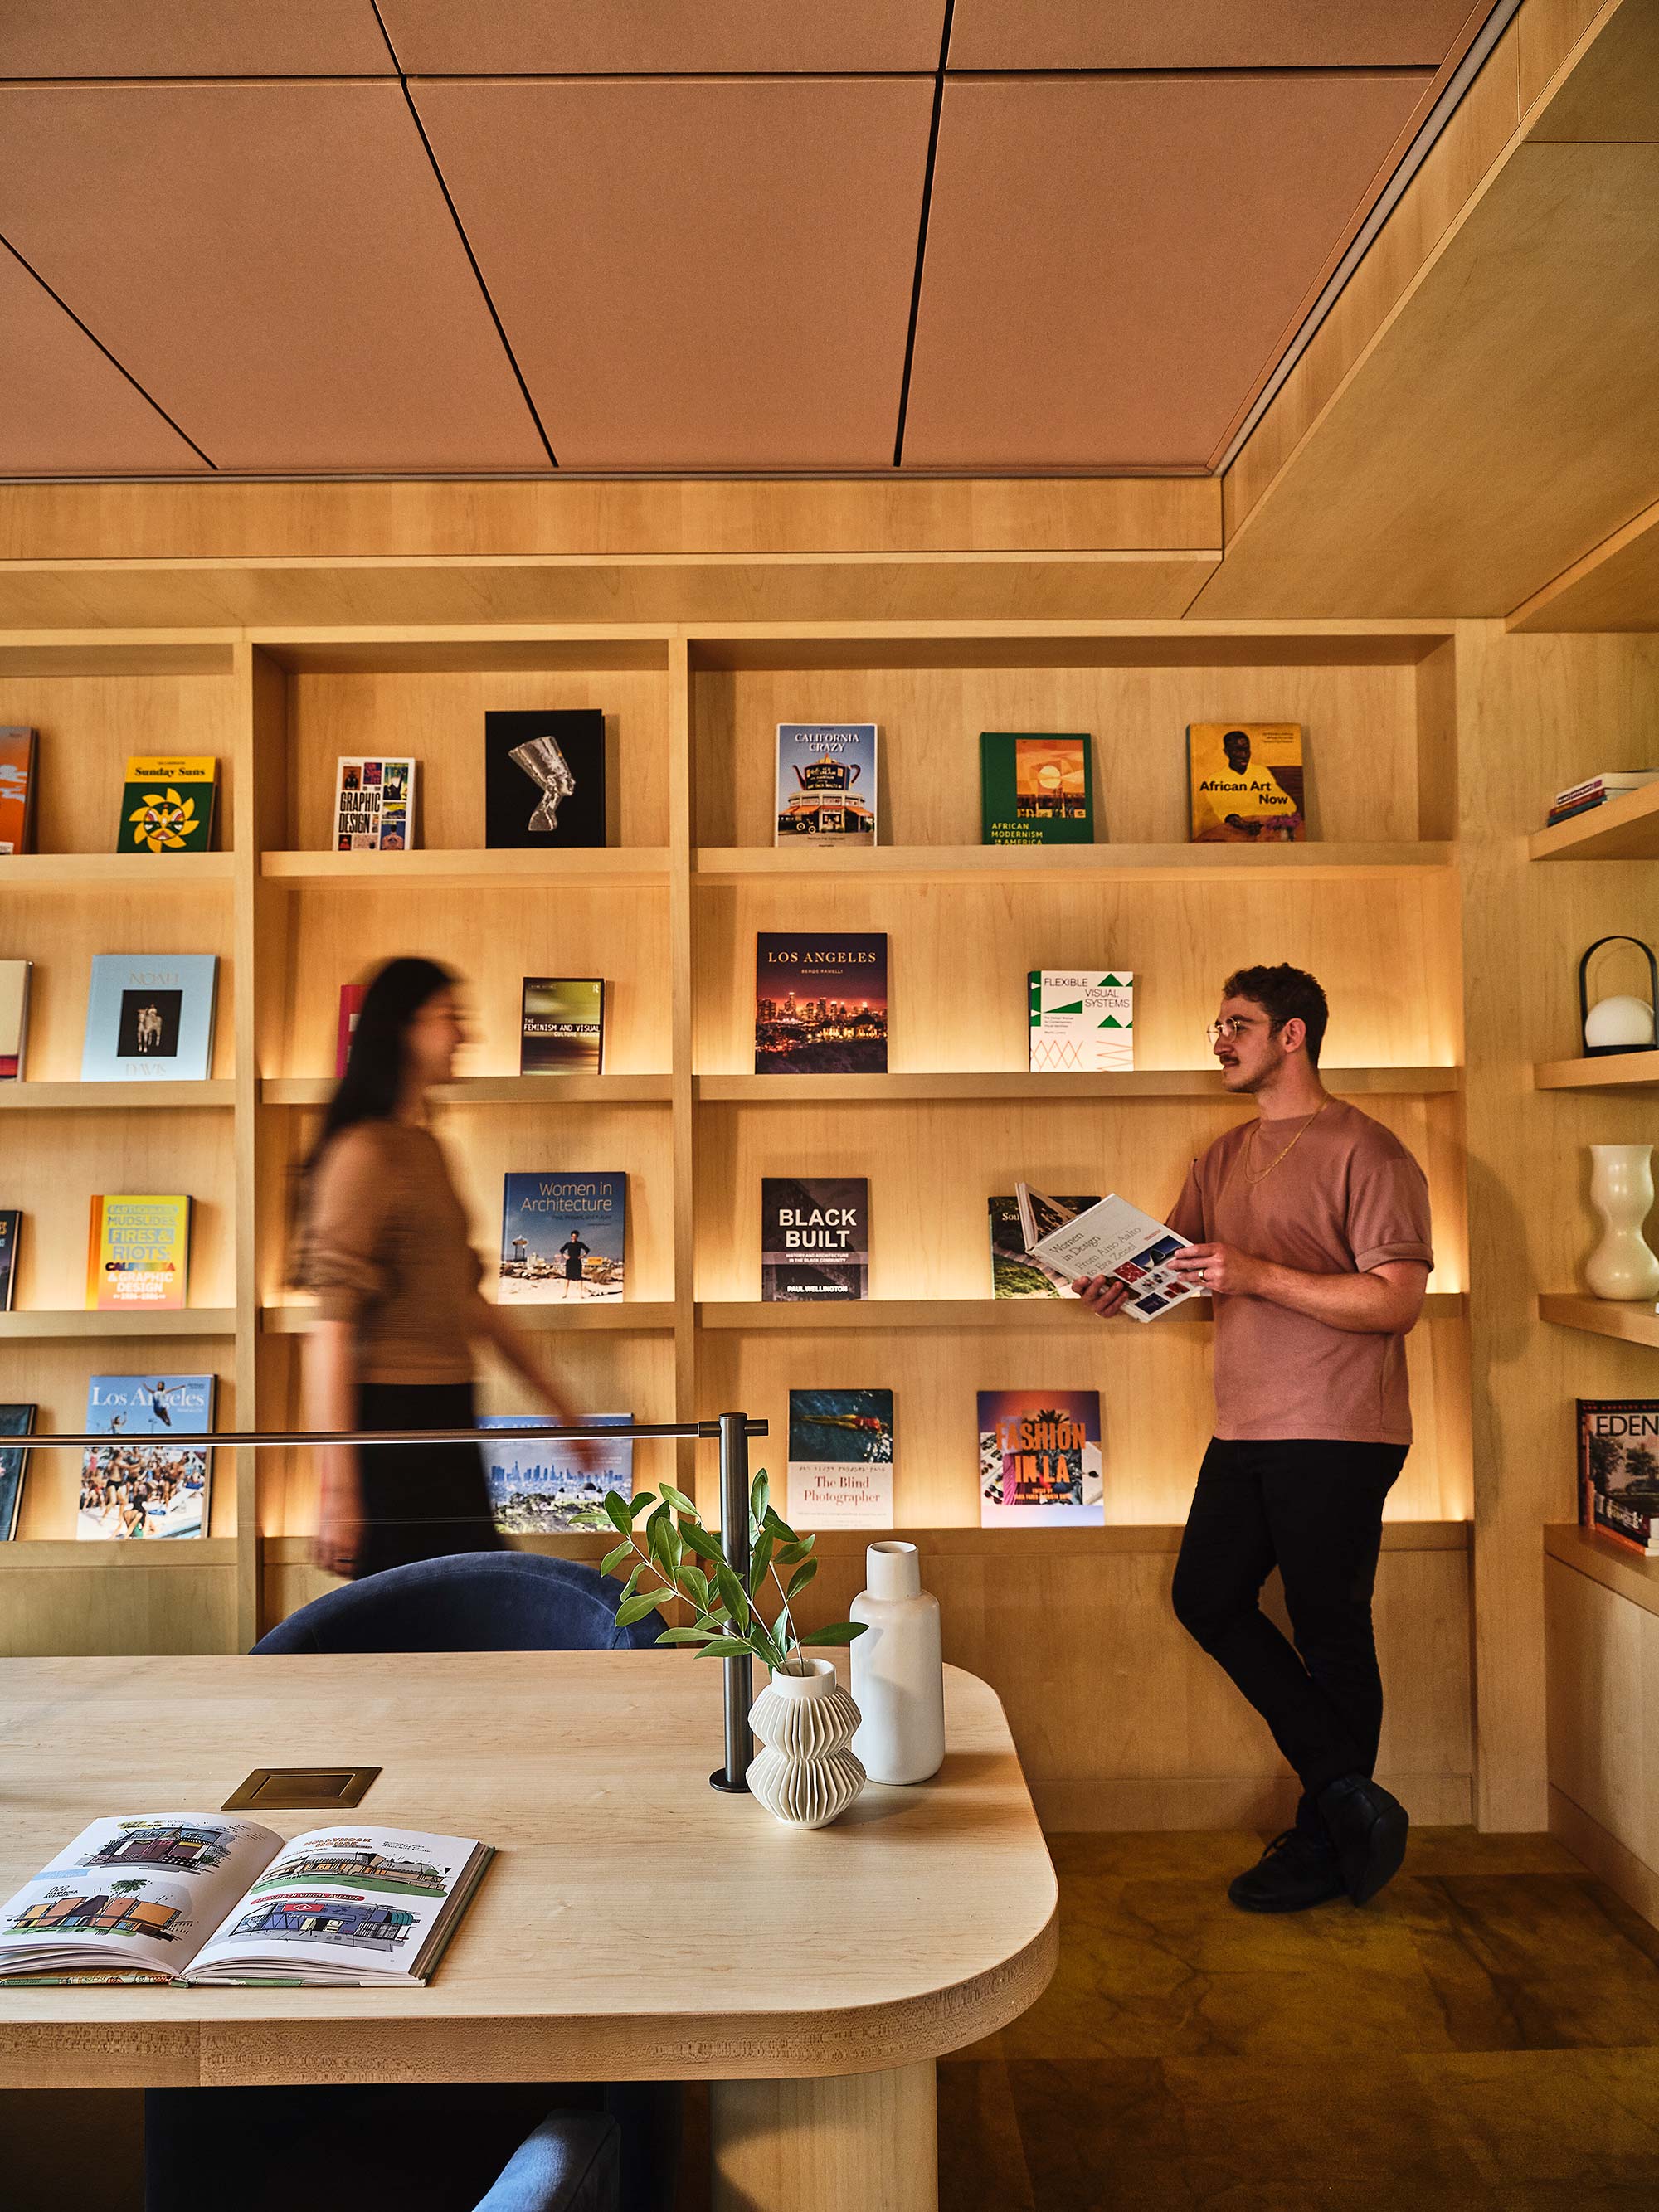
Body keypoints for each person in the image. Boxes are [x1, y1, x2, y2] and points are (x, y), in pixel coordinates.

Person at [1075, 963, 1432, 1914]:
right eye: (1215, 1026)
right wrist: (1119, 1289)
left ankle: (1325, 1845)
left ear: (1292, 1035)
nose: (1218, 1040)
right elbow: (1187, 1271)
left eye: (1236, 1024)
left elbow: (1395, 1301)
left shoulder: (1370, 1151)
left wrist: (1260, 1274)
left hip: (1341, 1429)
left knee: (1329, 1631)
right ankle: (1349, 1799)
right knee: (1205, 1597)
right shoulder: (1221, 1154)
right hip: (1245, 1424)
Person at [292, 956, 590, 1579]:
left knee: (459, 1610)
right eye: (448, 1017)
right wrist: (337, 1490)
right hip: (392, 1430)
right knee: (430, 1621)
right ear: (401, 1028)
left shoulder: (425, 1148)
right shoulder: (363, 1153)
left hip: (447, 1414)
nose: (464, 1035)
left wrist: (560, 1406)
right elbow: (329, 1332)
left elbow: (467, 1299)